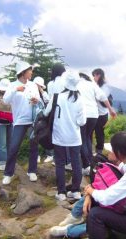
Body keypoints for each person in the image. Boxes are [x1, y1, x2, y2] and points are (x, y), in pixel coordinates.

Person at [44, 70, 86, 201]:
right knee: (76, 164)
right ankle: (76, 191)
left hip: (59, 137)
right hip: (74, 137)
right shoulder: (80, 99)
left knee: (60, 164)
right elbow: (82, 121)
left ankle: (61, 192)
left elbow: (46, 113)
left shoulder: (56, 97)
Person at [1, 61, 40, 185]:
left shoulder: (33, 85)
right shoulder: (12, 85)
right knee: (14, 147)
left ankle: (32, 171)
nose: (31, 72)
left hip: (32, 120)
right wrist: (16, 90)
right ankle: (8, 173)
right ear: (23, 72)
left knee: (34, 145)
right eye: (30, 70)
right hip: (19, 121)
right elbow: (6, 100)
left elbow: (38, 99)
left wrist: (36, 100)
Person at [77, 73, 116, 176]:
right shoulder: (92, 84)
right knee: (88, 137)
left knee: (82, 139)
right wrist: (111, 109)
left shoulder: (77, 84)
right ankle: (90, 161)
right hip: (94, 115)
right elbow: (103, 96)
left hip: (82, 114)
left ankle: (86, 165)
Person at [45, 64, 66, 166]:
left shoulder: (50, 84)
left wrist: (46, 113)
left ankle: (55, 158)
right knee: (65, 134)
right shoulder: (65, 81)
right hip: (65, 110)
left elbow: (50, 99)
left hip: (53, 110)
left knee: (55, 134)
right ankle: (66, 159)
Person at [91, 68, 116, 155]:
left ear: (99, 75)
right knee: (90, 132)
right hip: (95, 113)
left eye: (94, 75)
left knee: (99, 133)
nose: (93, 77)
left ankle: (99, 151)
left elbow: (101, 97)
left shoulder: (104, 87)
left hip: (102, 114)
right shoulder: (96, 85)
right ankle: (91, 150)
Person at [0, 78, 12, 171]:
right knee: (2, 142)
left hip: (10, 120)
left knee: (10, 142)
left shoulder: (11, 94)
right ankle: (2, 162)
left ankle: (9, 160)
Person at [32, 76, 48, 163]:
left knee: (44, 135)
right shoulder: (30, 92)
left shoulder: (43, 94)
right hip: (33, 118)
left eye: (41, 86)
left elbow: (48, 101)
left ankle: (49, 154)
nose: (40, 87)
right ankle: (36, 155)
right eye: (39, 86)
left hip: (42, 117)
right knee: (34, 137)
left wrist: (42, 91)